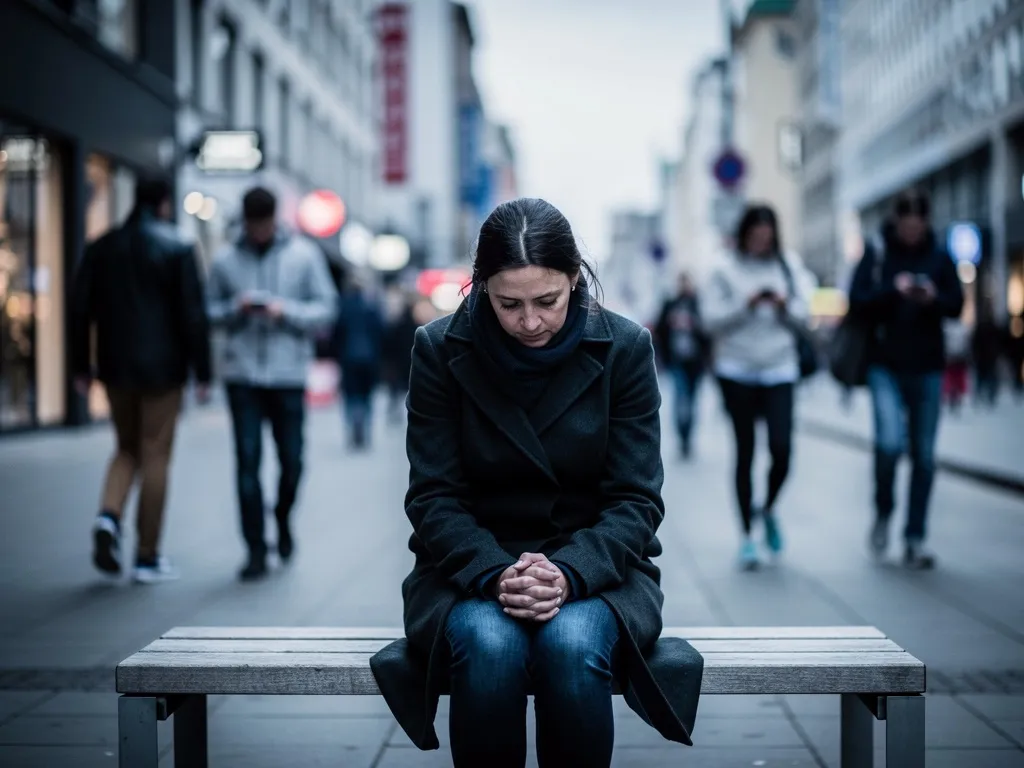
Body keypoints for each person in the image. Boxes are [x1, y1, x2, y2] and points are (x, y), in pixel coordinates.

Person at [369, 198, 702, 768]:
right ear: (480, 289)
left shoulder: (624, 348)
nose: (530, 322)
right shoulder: (440, 349)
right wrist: (497, 574)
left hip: (601, 571)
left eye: (547, 301)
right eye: (508, 304)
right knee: (489, 646)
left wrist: (569, 572)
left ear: (575, 279)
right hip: (466, 570)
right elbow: (433, 495)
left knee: (571, 647)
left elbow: (636, 498)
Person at [71, 177, 212, 583]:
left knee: (125, 448)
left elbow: (80, 310)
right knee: (155, 453)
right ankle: (147, 556)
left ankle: (108, 516)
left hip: (115, 367)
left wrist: (81, 365)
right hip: (163, 371)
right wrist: (202, 371)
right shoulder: (178, 247)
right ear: (164, 203)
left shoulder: (102, 246)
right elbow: (192, 315)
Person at [207, 187, 337, 580]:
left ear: (274, 219)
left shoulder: (303, 254)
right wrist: (237, 308)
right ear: (244, 222)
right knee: (247, 462)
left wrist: (286, 312)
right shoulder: (225, 259)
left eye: (264, 224)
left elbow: (327, 309)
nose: (260, 232)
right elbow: (208, 311)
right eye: (253, 225)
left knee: (292, 461)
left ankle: (281, 518)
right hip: (242, 375)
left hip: (288, 376)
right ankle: (255, 549)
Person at [848, 189, 963, 569]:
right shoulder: (878, 251)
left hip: (928, 367)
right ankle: (884, 511)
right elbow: (857, 300)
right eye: (906, 224)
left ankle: (914, 537)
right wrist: (892, 291)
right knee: (889, 444)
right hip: (885, 365)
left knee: (925, 457)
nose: (913, 231)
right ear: (897, 222)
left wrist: (932, 296)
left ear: (926, 223)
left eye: (919, 225)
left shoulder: (940, 254)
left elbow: (957, 304)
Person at [703, 204, 814, 571]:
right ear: (744, 234)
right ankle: (747, 536)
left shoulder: (789, 266)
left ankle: (766, 509)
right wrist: (745, 304)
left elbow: (806, 316)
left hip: (780, 367)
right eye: (755, 237)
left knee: (782, 449)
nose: (762, 243)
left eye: (767, 238)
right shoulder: (724, 268)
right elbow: (710, 320)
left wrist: (784, 306)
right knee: (745, 453)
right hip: (737, 370)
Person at [654, 273, 709, 458]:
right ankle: (681, 434)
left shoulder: (698, 304)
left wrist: (693, 324)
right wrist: (670, 323)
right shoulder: (670, 304)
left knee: (692, 401)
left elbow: (709, 331)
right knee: (680, 397)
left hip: (695, 363)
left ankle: (688, 436)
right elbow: (658, 329)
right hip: (676, 360)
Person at [334, 278, 384, 448]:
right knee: (366, 396)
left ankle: (353, 426)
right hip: (369, 359)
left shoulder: (343, 308)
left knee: (350, 396)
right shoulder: (371, 308)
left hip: (348, 358)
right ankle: (365, 429)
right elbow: (381, 332)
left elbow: (336, 334)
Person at [971, 313, 1003, 408]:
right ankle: (986, 395)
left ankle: (983, 395)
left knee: (985, 377)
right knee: (987, 377)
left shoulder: (983, 328)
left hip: (986, 357)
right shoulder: (992, 328)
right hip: (987, 357)